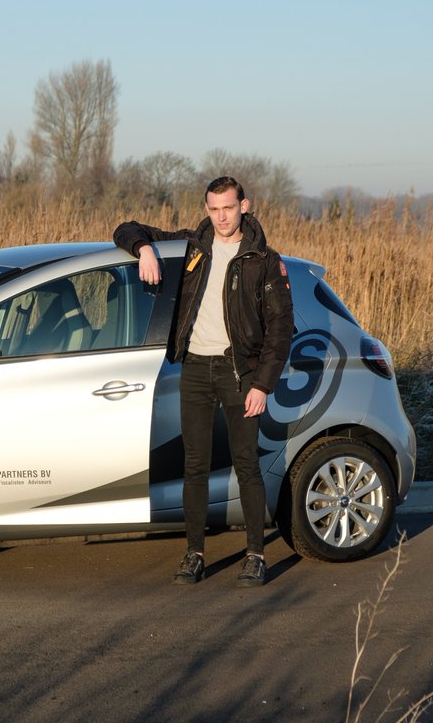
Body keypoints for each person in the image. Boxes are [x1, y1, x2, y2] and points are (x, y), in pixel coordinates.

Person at [113, 176, 294, 586]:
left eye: (228, 208)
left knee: (246, 465)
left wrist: (262, 385)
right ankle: (194, 553)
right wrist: (144, 250)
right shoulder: (194, 246)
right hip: (195, 368)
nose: (220, 216)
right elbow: (126, 228)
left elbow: (281, 329)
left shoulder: (263, 259)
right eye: (213, 209)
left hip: (239, 373)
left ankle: (255, 554)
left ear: (244, 206)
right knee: (194, 465)